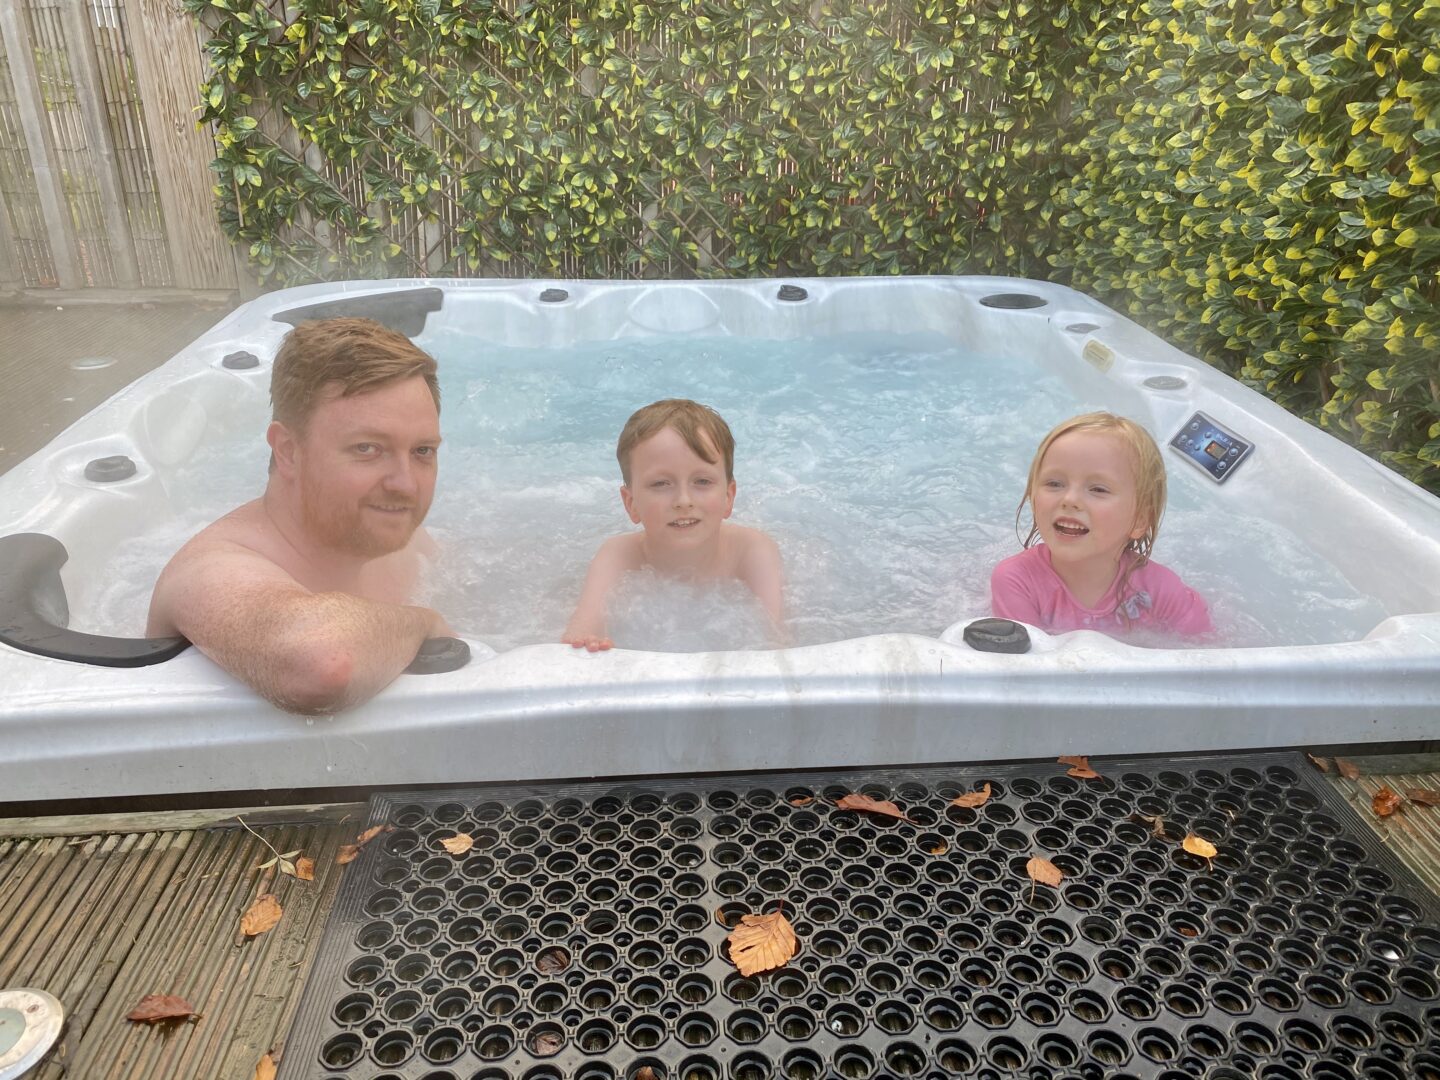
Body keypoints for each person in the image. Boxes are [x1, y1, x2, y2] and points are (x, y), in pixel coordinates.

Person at [146, 317, 451, 713]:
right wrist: (422, 624)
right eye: (367, 449)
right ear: (288, 451)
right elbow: (321, 663)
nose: (406, 485)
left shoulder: (390, 537)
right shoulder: (211, 569)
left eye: (422, 451)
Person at [563, 399, 784, 651]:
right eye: (660, 484)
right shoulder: (619, 555)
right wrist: (586, 641)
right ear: (631, 503)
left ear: (728, 497)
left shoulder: (752, 551)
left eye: (701, 481)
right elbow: (582, 630)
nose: (683, 501)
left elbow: (774, 641)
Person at [990, 411, 1212, 638]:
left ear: (1140, 519)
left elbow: (1208, 655)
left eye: (1098, 489)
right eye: (1054, 483)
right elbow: (1028, 667)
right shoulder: (1017, 581)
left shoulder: (1161, 591)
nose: (1070, 499)